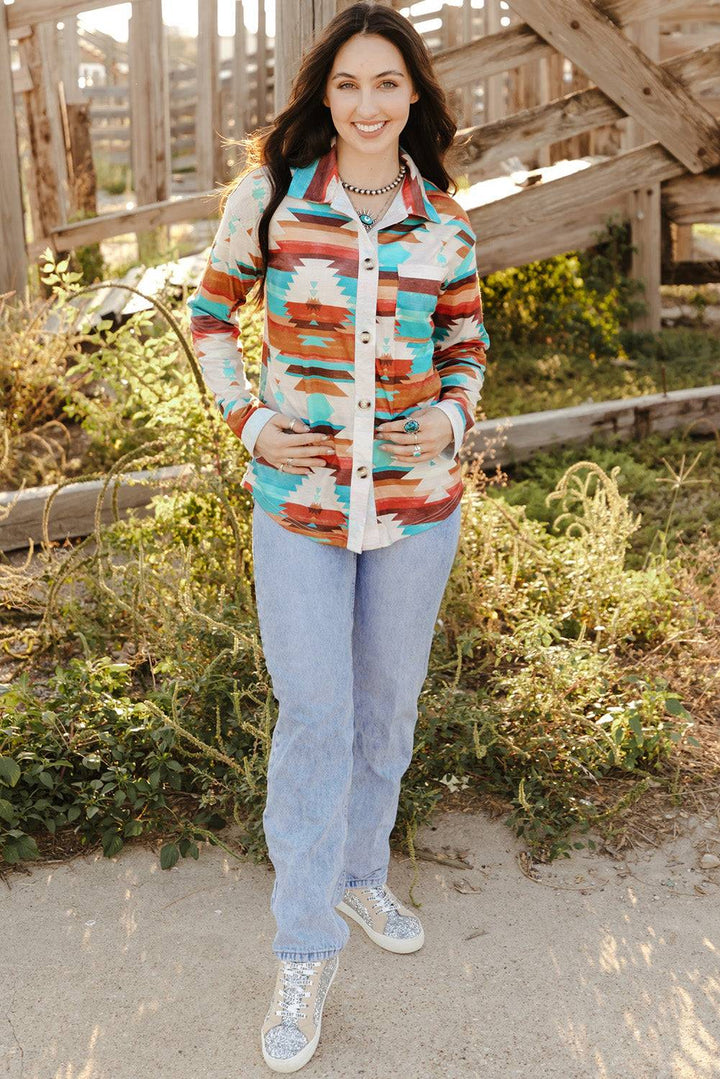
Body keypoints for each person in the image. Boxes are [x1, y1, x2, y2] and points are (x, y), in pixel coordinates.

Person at [188, 1, 490, 1071]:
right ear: (326, 95)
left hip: (416, 507)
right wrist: (254, 420)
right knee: (314, 715)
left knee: (385, 705)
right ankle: (304, 942)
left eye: (388, 84)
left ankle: (361, 873)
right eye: (348, 85)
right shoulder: (271, 199)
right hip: (302, 509)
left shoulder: (445, 219)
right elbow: (212, 313)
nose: (367, 105)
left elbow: (466, 342)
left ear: (415, 96)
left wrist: (452, 417)